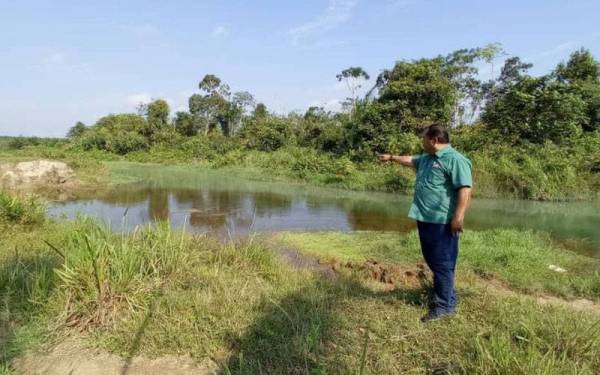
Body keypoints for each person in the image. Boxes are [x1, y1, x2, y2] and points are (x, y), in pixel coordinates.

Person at [378, 124, 472, 322]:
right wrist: (392, 158)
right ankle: (448, 298)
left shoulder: (455, 160)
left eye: (423, 138)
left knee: (442, 263)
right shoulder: (428, 158)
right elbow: (410, 160)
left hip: (441, 220)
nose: (421, 142)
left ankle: (444, 307)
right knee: (435, 261)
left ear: (434, 140)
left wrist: (458, 217)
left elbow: (464, 189)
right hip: (425, 218)